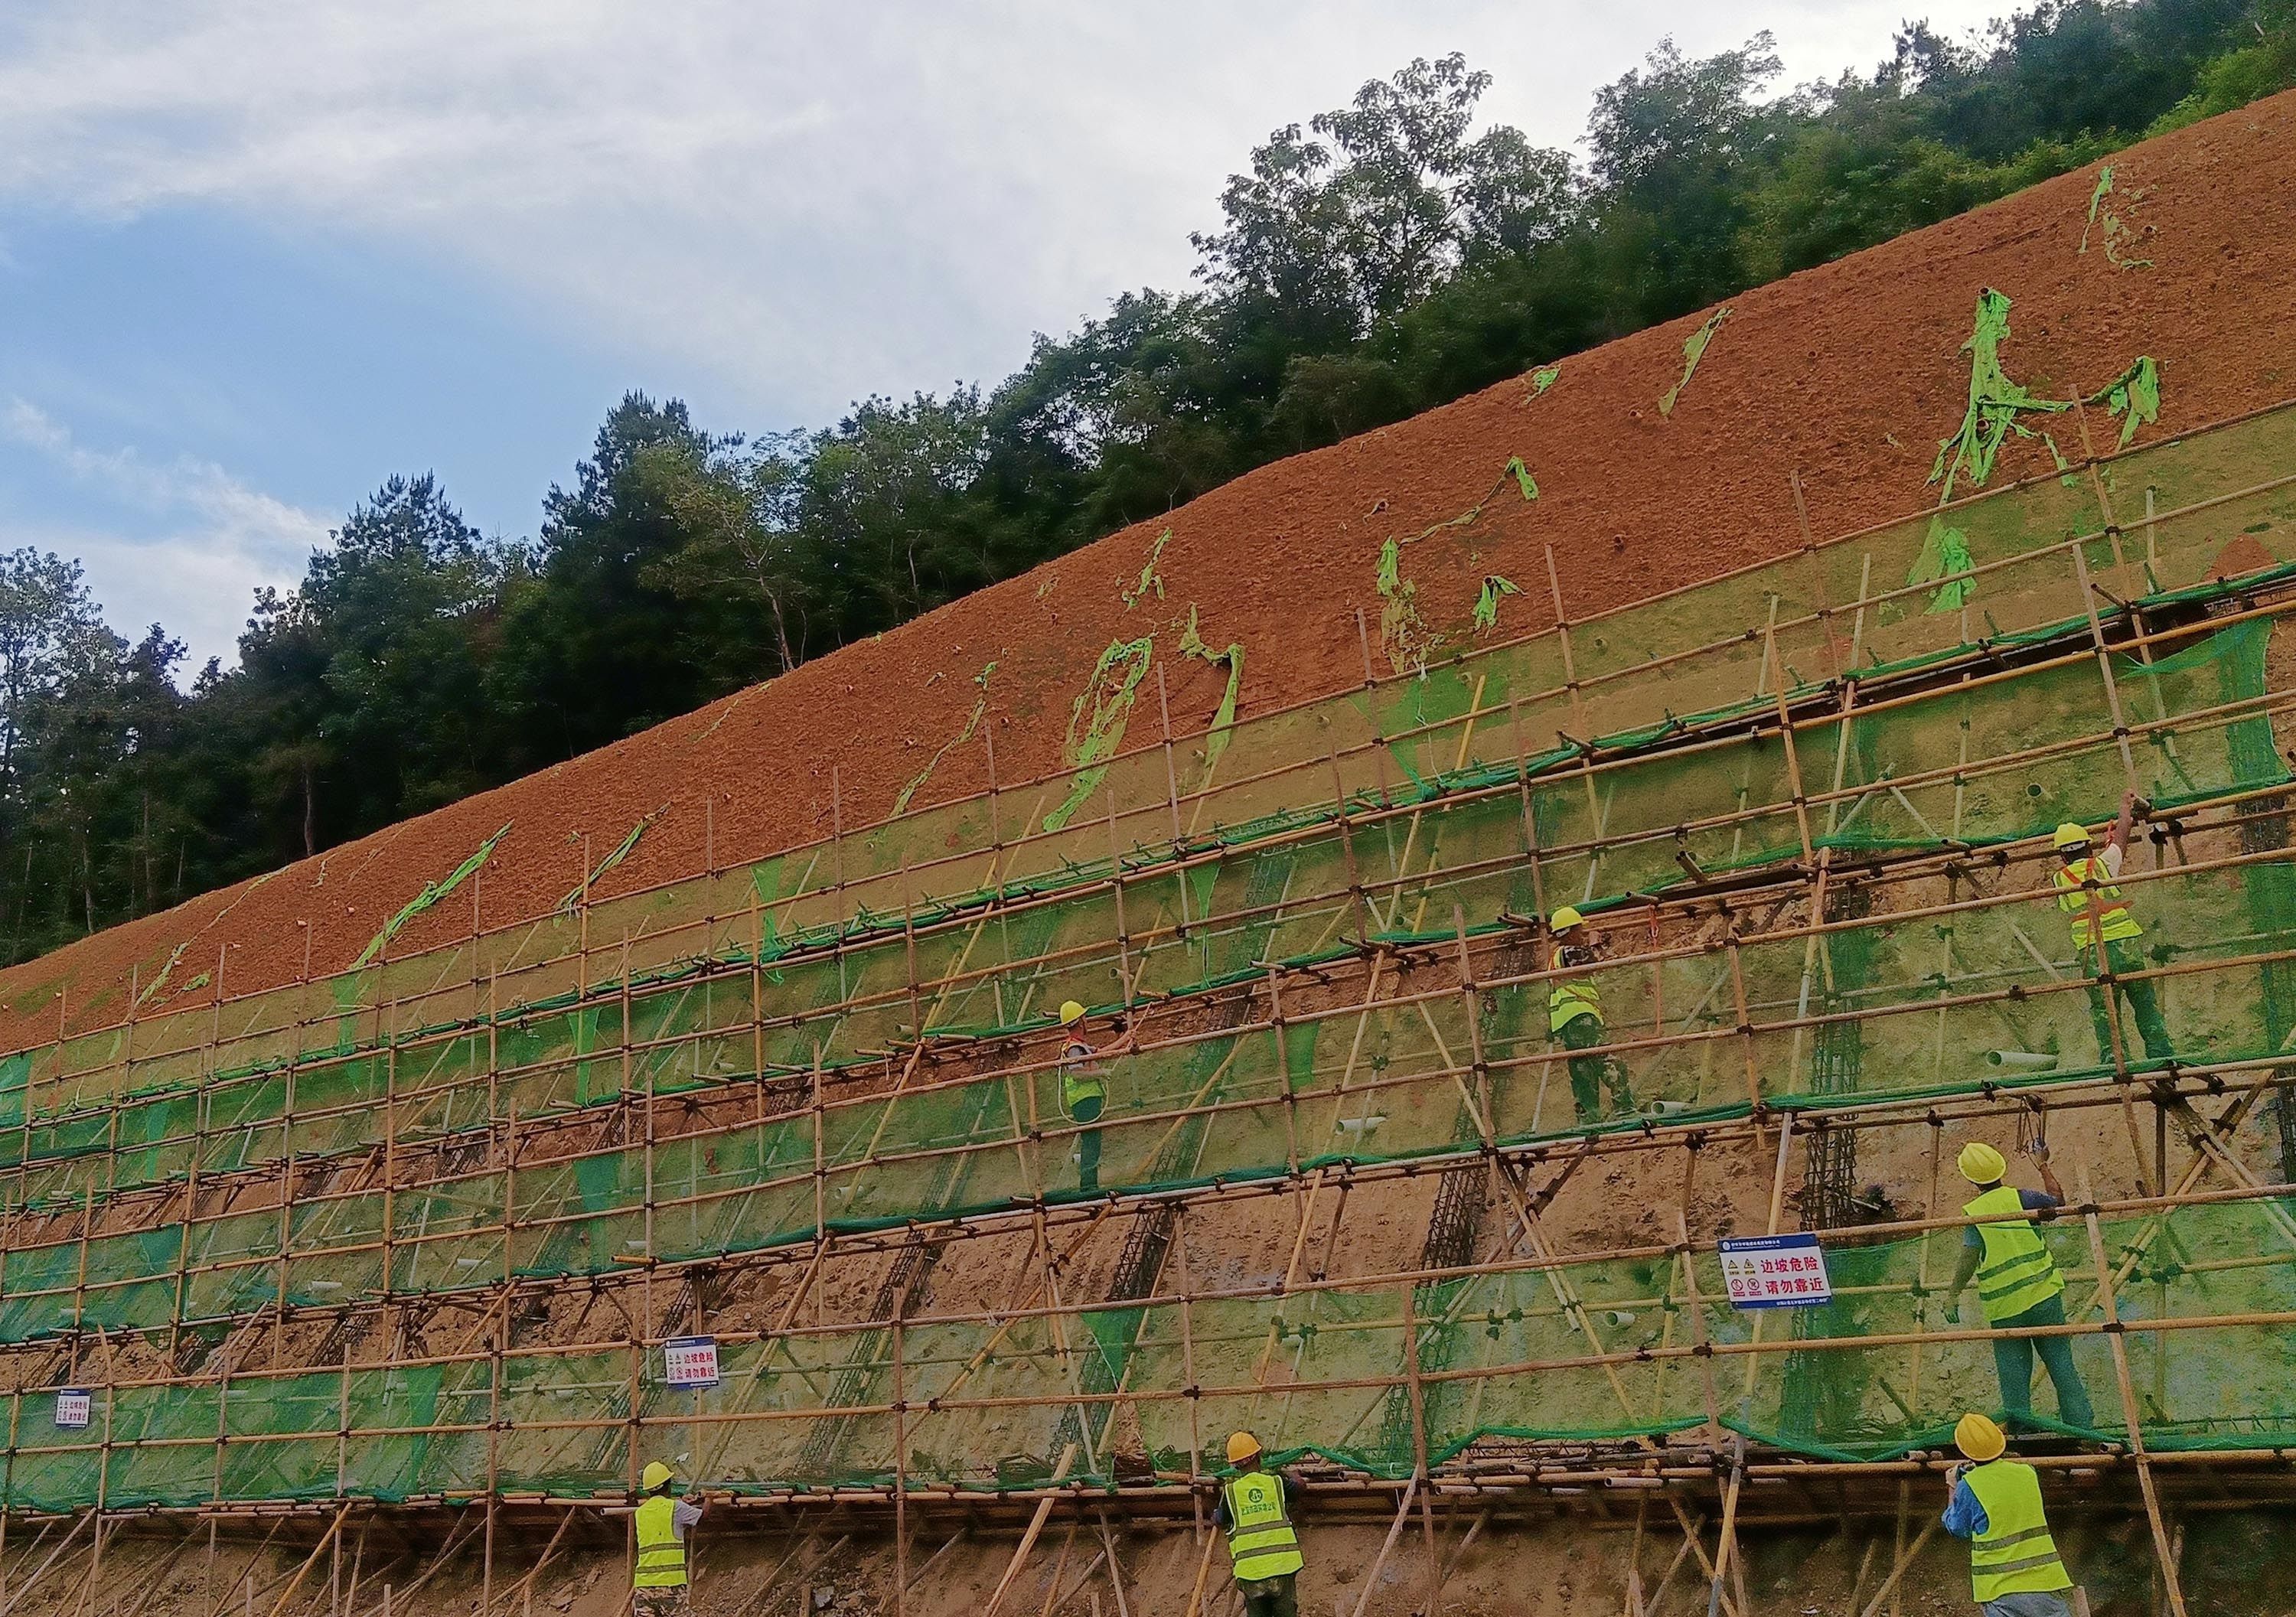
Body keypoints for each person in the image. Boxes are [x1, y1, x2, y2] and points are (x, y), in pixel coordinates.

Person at [1943, 1142, 2094, 1432]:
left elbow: (1968, 1258)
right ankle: (2082, 1429)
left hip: (2006, 1309)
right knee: (2062, 1365)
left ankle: (2023, 1437)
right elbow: (2057, 1201)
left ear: (1970, 1178)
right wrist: (2042, 1164)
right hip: (2044, 1297)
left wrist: (1953, 1296)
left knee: (2014, 1379)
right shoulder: (2022, 1198)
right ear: (2001, 1169)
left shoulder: (1975, 1212)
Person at [2052, 794, 2172, 1066]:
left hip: (2093, 952)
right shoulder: (2105, 863)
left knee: (2106, 1012)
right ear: (2089, 847)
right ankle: (2162, 1055)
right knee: (2144, 1004)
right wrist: (2124, 808)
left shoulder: (2059, 879)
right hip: (2126, 945)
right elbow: (2122, 834)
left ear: (2062, 855)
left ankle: (2115, 1060)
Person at [1941, 1411, 2079, 1615]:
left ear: (1964, 1450)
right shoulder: (2027, 1473)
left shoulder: (1969, 1485)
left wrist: (1953, 1485)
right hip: (2046, 1582)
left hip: (2000, 1588)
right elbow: (2002, 1490)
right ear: (2001, 1441)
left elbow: (1957, 1528)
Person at [1548, 907, 1633, 1124]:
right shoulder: (1570, 951)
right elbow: (1594, 963)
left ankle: (1589, 1120)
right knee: (1609, 1063)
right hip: (1581, 1017)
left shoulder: (1556, 957)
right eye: (1579, 930)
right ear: (1567, 932)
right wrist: (1597, 945)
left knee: (1582, 1072)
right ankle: (1624, 1110)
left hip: (1567, 1022)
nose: (1582, 934)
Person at [1212, 1430, 1303, 1617]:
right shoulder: (1276, 1483)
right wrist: (1293, 1475)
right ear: (1257, 1456)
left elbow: (1220, 1520)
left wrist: (1211, 1509)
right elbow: (1299, 1488)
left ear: (1235, 1464)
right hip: (1282, 1567)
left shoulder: (1231, 1493)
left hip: (1251, 1573)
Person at [1057, 1000, 1130, 1195]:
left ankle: (1090, 1187)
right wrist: (1100, 1073)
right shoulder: (1074, 1048)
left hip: (1088, 1098)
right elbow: (1077, 1074)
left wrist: (1126, 1039)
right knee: (1091, 1143)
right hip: (1084, 1100)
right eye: (1085, 1017)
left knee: (1093, 1142)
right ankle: (1088, 1188)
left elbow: (1102, 1052)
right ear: (1081, 1021)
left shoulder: (1081, 1046)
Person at [632, 1460, 706, 1617]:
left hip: (643, 1586)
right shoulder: (675, 1508)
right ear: (668, 1485)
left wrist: (682, 1501)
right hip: (670, 1585)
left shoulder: (640, 1512)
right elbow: (702, 1517)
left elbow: (663, 1516)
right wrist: (711, 1500)